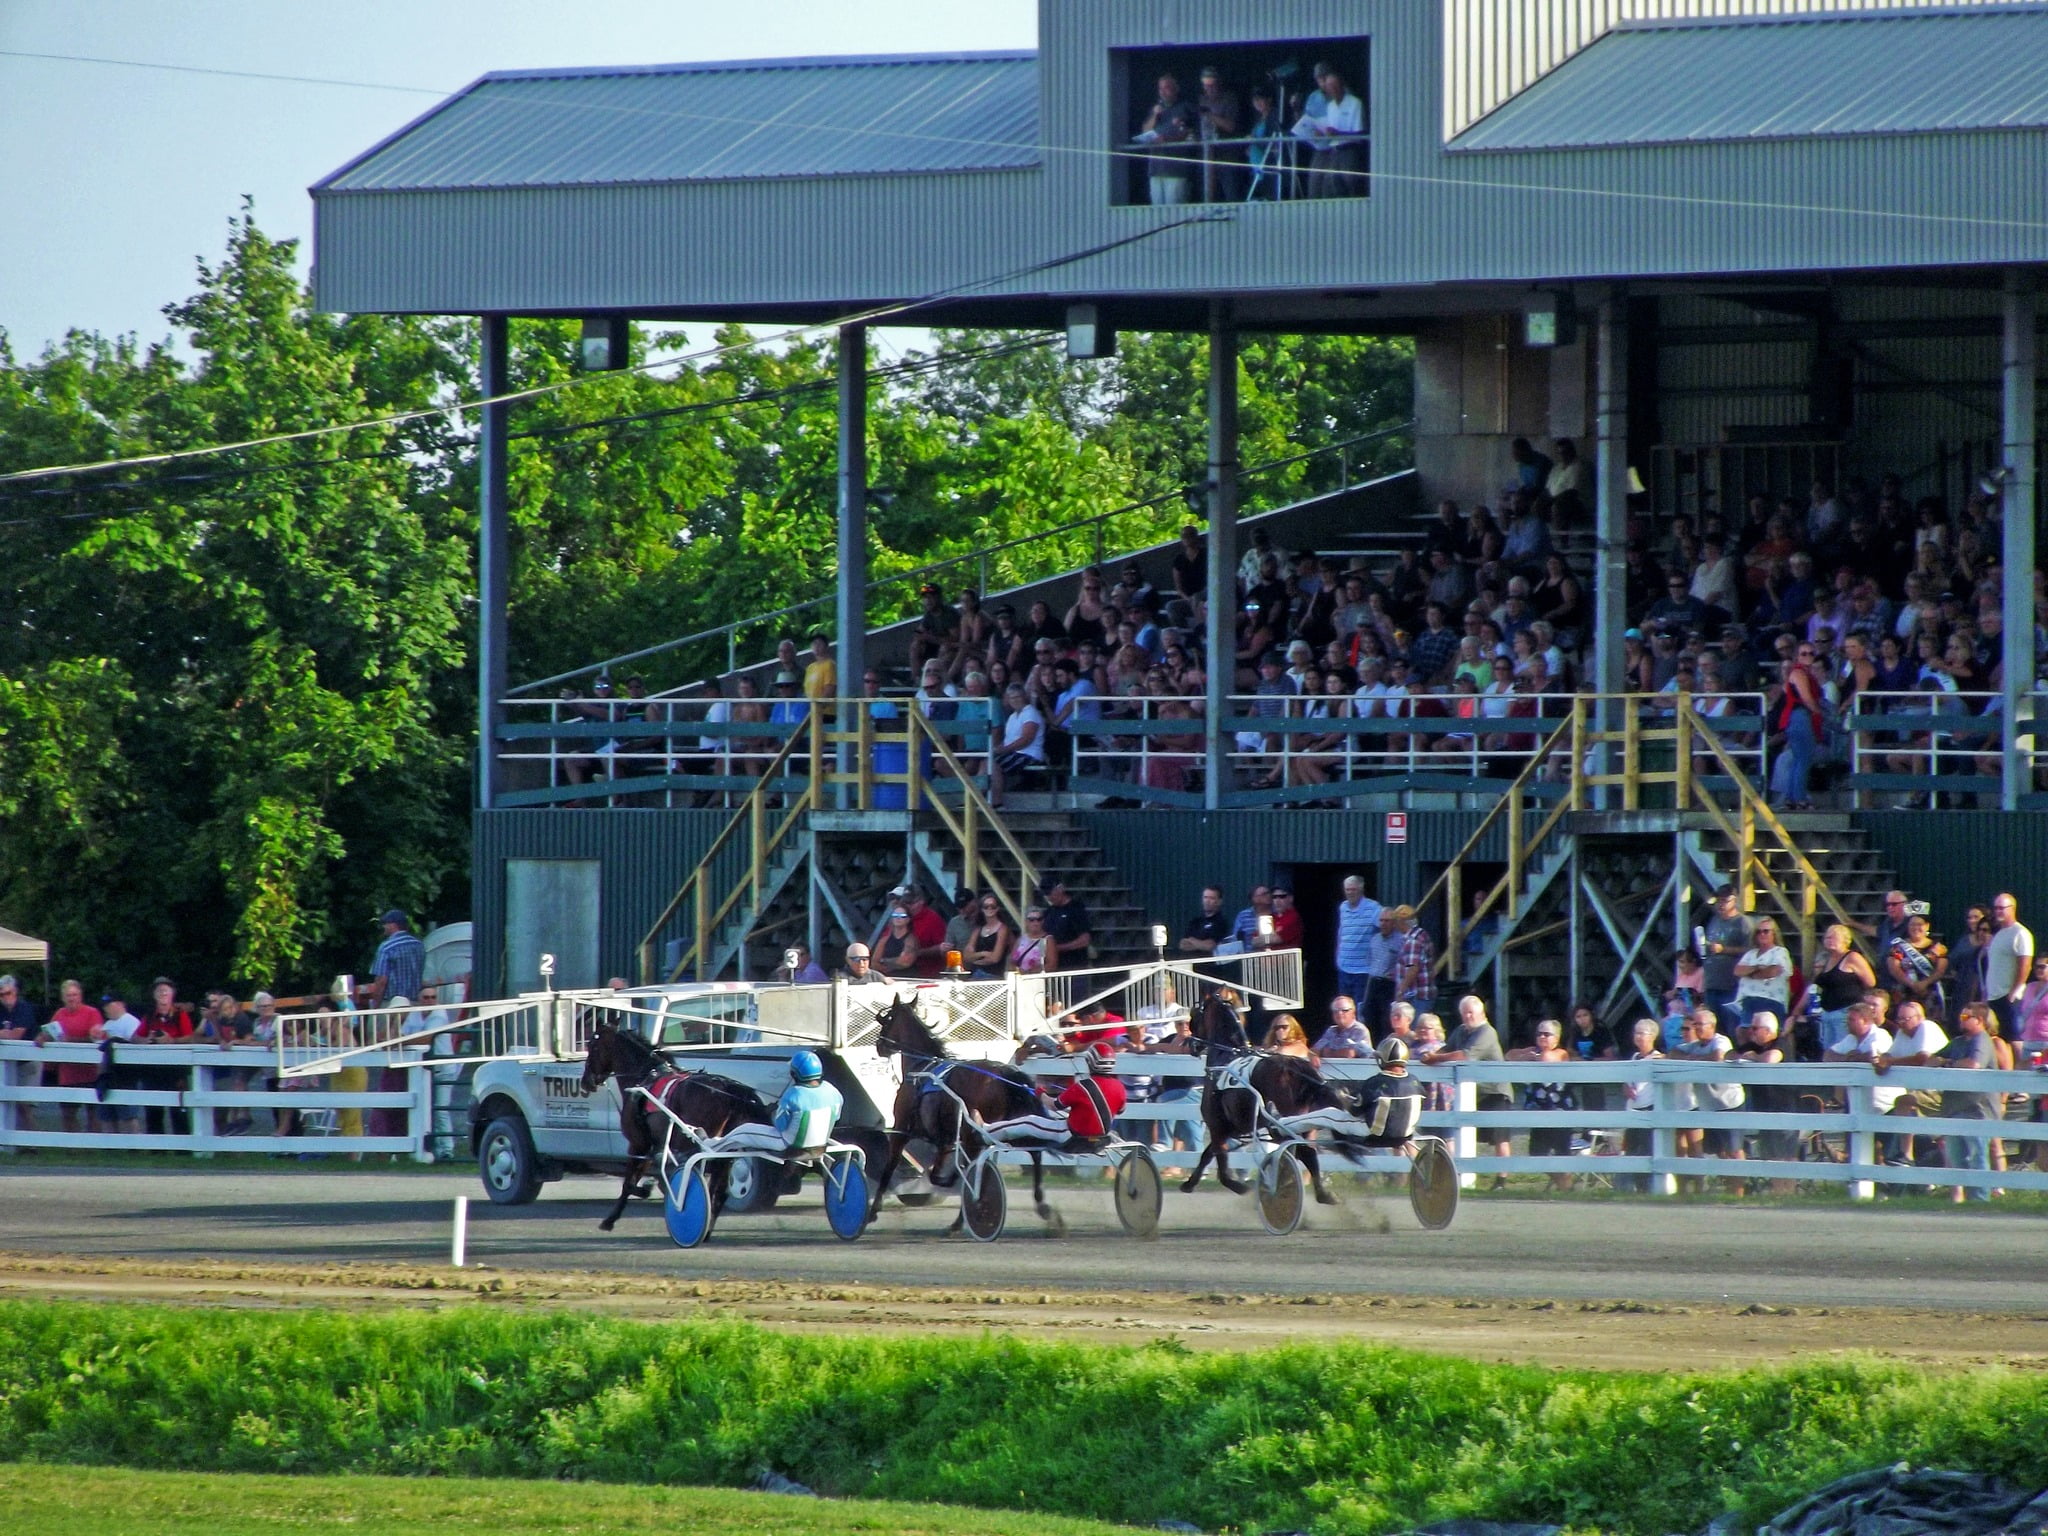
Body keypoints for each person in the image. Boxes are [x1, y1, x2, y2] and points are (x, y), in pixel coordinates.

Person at [1423, 994, 1510, 1178]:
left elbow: (1465, 1055)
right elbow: (1447, 1048)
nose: (1467, 1016)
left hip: (1495, 1091)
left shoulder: (1487, 1032)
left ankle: (1502, 1179)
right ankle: (1462, 1174)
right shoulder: (1461, 1031)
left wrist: (1435, 1059)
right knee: (1463, 1132)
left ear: (1481, 1013)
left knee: (1499, 1137)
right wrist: (1430, 1055)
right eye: (1464, 1013)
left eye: (1470, 1012)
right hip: (1473, 1093)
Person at [1934, 1003, 1999, 1201]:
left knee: (1977, 1156)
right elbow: (1931, 1059)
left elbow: (1974, 1064)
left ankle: (1980, 1199)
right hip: (1955, 1108)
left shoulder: (1982, 1040)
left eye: (1965, 1017)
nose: (1960, 1020)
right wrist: (1943, 1061)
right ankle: (1961, 1199)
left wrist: (1947, 1063)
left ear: (1979, 1020)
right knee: (1956, 1157)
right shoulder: (1957, 1042)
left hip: (1978, 1110)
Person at [1800, 924, 1876, 1056]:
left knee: (1843, 1051)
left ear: (1845, 940)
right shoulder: (1826, 959)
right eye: (1827, 937)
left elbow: (1870, 982)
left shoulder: (1852, 957)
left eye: (1833, 937)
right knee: (1829, 1052)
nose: (1829, 940)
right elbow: (1815, 986)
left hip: (1845, 1012)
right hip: (1827, 1013)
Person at [1293, 62, 1365, 197]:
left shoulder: (1351, 99)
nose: (1323, 84)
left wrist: (1336, 133)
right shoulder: (1318, 99)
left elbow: (1359, 134)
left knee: (1345, 185)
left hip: (1344, 149)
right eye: (1319, 80)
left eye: (1323, 79)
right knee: (1318, 186)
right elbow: (1306, 120)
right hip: (1323, 148)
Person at [47, 979, 104, 1135]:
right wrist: (42, 1038)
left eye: (74, 994)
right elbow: (49, 1032)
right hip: (67, 1073)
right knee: (67, 1113)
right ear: (63, 997)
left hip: (89, 1072)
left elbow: (95, 1039)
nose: (71, 998)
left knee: (92, 1113)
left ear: (80, 995)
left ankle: (92, 1147)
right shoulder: (59, 1014)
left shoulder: (92, 1013)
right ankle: (73, 1148)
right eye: (68, 995)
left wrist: (70, 1039)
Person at [1135, 73, 1199, 205]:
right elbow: (1145, 130)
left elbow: (1190, 133)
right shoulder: (1156, 110)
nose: (1163, 92)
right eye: (1160, 89)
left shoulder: (1185, 107)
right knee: (1156, 210)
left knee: (1174, 208)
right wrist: (1155, 115)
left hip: (1176, 169)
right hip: (1156, 169)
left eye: (1167, 88)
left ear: (1176, 89)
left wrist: (1167, 139)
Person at [1983, 893, 2034, 1042]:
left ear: (2012, 909)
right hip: (1994, 996)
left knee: (2014, 1038)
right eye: (1996, 908)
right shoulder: (1998, 934)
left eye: (2001, 908)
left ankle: (2021, 1066)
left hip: (2009, 998)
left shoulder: (2020, 933)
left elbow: (2025, 964)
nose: (1998, 911)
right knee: (1998, 1039)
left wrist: (2014, 991)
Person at [1334, 875, 1384, 1021]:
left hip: (1363, 969)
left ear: (1361, 889)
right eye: (1347, 890)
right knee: (1342, 1008)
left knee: (1360, 1009)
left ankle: (1360, 1039)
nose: (1350, 893)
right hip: (1344, 968)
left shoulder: (1373, 908)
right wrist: (1338, 955)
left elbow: (1386, 926)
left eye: (1353, 889)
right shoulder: (1343, 907)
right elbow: (1341, 931)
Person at [1732, 919, 1792, 1027]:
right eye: (1758, 932)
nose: (1762, 934)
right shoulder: (1751, 953)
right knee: (1743, 1031)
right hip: (1747, 1001)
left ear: (1774, 933)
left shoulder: (1780, 952)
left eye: (1766, 931)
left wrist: (1749, 973)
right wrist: (1758, 968)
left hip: (1770, 1001)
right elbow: (1737, 971)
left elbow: (1773, 972)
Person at [0, 974, 37, 1134]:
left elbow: (16, 1035)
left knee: (23, 1103)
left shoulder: (24, 1008)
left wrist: (5, 1033)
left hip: (26, 1061)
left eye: (8, 993)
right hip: (6, 1063)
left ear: (15, 992)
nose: (4, 997)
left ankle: (32, 1143)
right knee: (7, 1101)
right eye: (1, 994)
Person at [368, 909, 426, 1009]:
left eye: (385, 924)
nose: (384, 927)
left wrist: (375, 1006)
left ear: (393, 925)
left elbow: (381, 981)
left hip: (392, 1004)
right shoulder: (419, 945)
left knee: (377, 1025)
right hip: (415, 1003)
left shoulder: (387, 947)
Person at [1042, 879, 1093, 971]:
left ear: (1060, 888)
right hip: (1054, 968)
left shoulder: (1077, 909)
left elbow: (1084, 940)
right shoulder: (1048, 912)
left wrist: (1057, 948)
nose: (1049, 897)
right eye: (1046, 894)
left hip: (1075, 966)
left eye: (1051, 893)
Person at [1391, 906, 1435, 1011]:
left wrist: (1401, 991)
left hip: (1417, 996)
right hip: (1424, 993)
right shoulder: (1422, 934)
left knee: (1416, 1026)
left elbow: (1413, 968)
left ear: (1402, 922)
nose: (1395, 925)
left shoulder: (1413, 940)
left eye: (1396, 921)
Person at [963, 894, 1013, 979]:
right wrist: (984, 953)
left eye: (993, 906)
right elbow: (966, 956)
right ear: (982, 909)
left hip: (994, 975)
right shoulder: (978, 929)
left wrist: (975, 958)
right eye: (986, 906)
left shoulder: (1002, 929)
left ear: (998, 908)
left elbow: (995, 958)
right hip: (975, 973)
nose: (989, 909)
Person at [1181, 884, 1231, 959]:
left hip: (1211, 965)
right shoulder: (1195, 921)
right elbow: (1183, 944)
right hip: (1192, 964)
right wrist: (1201, 944)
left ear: (1219, 901)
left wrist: (1192, 940)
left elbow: (1210, 946)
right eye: (1205, 897)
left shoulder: (1221, 922)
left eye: (1211, 898)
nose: (1207, 901)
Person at [873, 909, 921, 978]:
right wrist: (892, 963)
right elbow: (874, 963)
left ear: (908, 919)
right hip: (888, 979)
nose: (898, 918)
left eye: (902, 916)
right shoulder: (884, 940)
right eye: (895, 915)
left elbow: (905, 962)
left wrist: (883, 960)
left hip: (907, 979)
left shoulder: (911, 940)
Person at [1010, 908, 1053, 975]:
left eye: (1039, 919)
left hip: (1037, 979)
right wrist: (1017, 971)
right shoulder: (1020, 939)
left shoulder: (1048, 940)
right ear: (1026, 922)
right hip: (1020, 978)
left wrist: (1030, 972)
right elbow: (1012, 961)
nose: (1035, 923)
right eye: (1031, 920)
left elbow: (1052, 965)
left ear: (1043, 921)